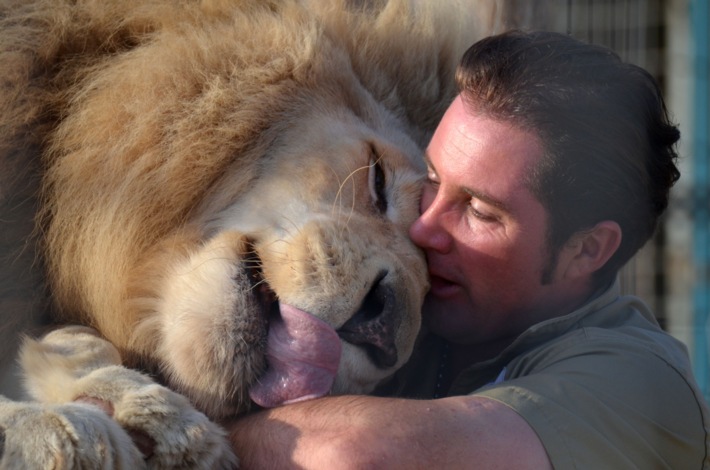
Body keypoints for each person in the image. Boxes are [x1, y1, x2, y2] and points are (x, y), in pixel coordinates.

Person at [227, 30, 710, 468]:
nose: (424, 229)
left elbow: (356, 455)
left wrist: (195, 435)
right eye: (432, 179)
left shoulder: (642, 386)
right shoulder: (442, 306)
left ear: (585, 250)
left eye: (479, 211)